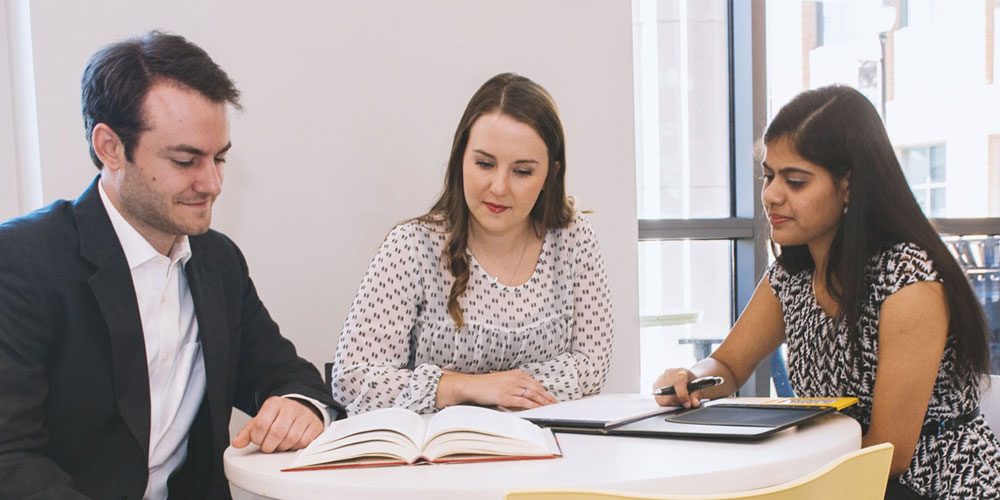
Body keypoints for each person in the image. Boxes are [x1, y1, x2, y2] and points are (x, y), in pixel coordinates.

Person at [0, 31, 344, 500]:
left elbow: (289, 376)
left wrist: (299, 406)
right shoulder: (23, 262)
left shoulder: (217, 261)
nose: (213, 182)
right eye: (186, 160)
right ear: (110, 147)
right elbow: (11, 459)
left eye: (220, 158)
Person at [653, 85, 1000, 499]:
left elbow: (890, 454)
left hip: (929, 485)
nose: (771, 195)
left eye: (795, 182)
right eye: (768, 176)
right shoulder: (792, 274)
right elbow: (728, 364)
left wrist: (785, 482)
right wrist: (692, 380)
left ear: (848, 186)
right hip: (843, 478)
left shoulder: (908, 279)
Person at [331, 73, 614, 415]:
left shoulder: (573, 237)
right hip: (436, 458)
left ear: (550, 175)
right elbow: (353, 381)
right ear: (460, 158)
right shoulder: (412, 246)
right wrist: (473, 387)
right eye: (484, 164)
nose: (498, 187)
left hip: (546, 450)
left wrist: (504, 388)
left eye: (522, 171)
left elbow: (591, 367)